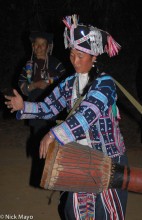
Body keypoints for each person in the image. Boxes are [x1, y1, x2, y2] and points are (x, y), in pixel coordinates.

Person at [5, 15, 128, 220]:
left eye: (81, 56)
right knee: (75, 211)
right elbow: (48, 106)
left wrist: (54, 134)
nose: (75, 61)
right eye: (72, 54)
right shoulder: (69, 82)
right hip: (82, 156)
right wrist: (23, 105)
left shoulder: (105, 84)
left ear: (94, 57)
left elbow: (87, 114)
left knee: (107, 212)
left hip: (109, 157)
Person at [18, 31, 66, 187]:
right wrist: (35, 85)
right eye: (36, 45)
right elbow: (23, 86)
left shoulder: (56, 64)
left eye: (42, 45)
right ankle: (41, 174)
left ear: (48, 46)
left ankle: (55, 173)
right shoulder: (28, 65)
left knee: (54, 140)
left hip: (54, 109)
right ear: (32, 46)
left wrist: (51, 83)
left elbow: (67, 82)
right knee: (39, 139)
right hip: (34, 108)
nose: (39, 47)